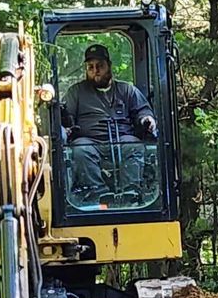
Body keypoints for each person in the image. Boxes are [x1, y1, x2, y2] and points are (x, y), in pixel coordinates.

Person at [60, 43, 157, 200]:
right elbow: (65, 118)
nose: (95, 71)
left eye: (100, 66)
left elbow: (143, 111)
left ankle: (130, 193)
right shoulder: (75, 92)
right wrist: (66, 129)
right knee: (80, 149)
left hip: (122, 139)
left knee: (133, 145)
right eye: (90, 67)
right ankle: (97, 192)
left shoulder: (127, 90)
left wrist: (147, 119)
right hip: (89, 141)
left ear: (109, 66)